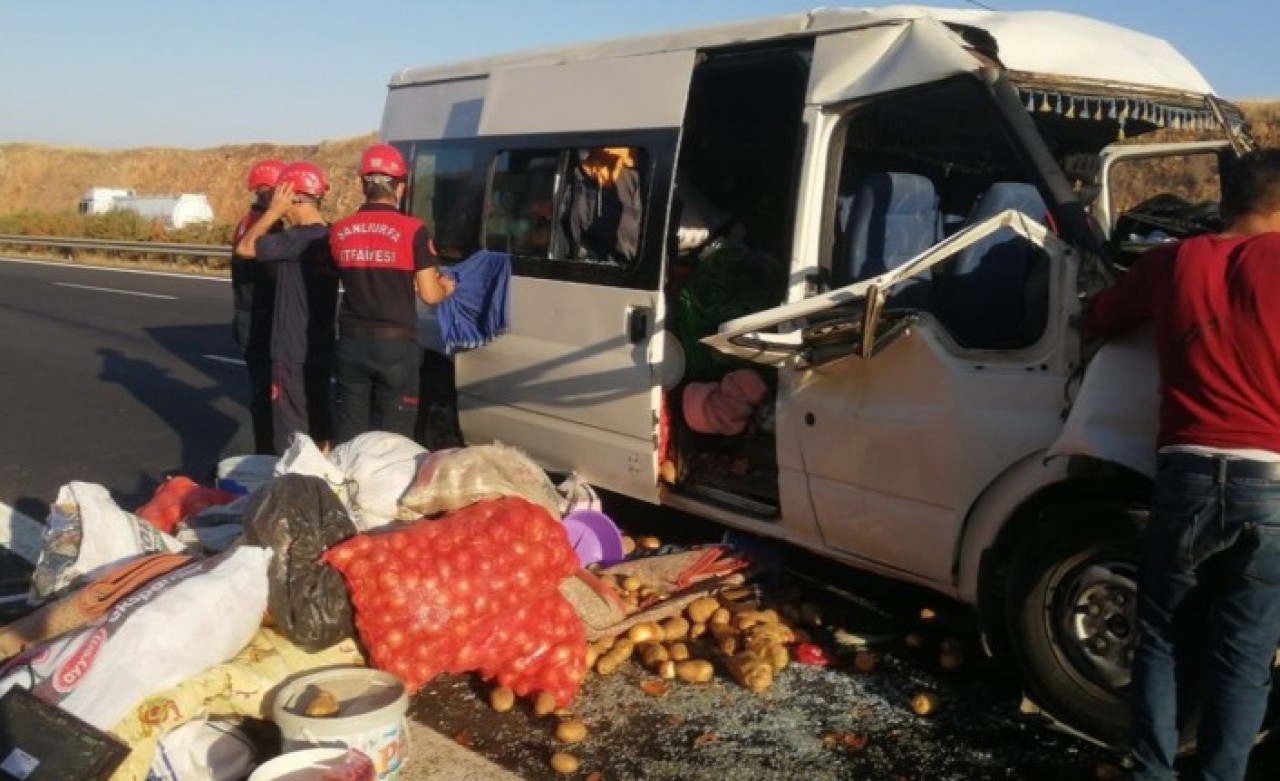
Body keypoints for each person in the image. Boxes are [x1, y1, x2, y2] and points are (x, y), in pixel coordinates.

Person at [1083, 149, 1280, 781]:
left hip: (1186, 474)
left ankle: (1152, 772)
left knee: (1164, 639)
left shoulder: (1171, 263)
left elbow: (1098, 317)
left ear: (1225, 201)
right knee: (1244, 655)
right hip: (1271, 483)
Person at [328, 143, 454, 444]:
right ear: (400, 187)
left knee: (350, 432)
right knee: (394, 438)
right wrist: (447, 287)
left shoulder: (339, 230)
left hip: (351, 343)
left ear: (363, 186)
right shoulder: (412, 230)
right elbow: (430, 295)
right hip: (396, 347)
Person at [234, 161, 339, 455]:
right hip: (322, 344)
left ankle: (291, 480)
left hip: (290, 348)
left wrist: (272, 213)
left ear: (292, 197)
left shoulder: (292, 240)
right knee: (321, 420)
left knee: (291, 430)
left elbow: (245, 247)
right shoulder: (332, 236)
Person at [230, 158, 285, 454]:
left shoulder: (256, 221)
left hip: (253, 313)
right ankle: (237, 457)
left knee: (265, 391)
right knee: (266, 393)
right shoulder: (261, 225)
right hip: (257, 315)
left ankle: (262, 452)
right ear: (270, 192)